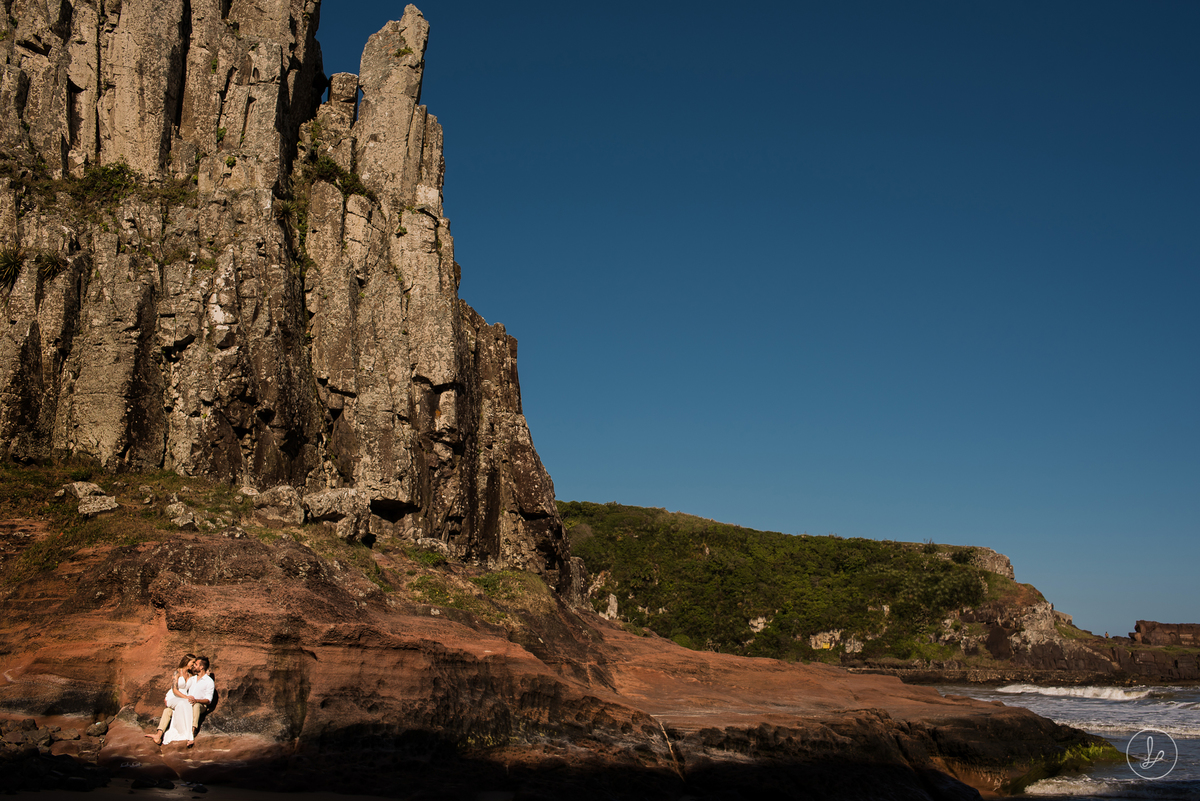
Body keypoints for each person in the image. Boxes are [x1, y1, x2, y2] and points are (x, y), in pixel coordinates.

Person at [146, 654, 196, 746]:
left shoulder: (190, 675)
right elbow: (175, 690)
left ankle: (187, 735)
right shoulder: (176, 673)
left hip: (184, 698)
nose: (193, 665)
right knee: (184, 702)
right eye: (192, 662)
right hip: (174, 697)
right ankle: (188, 735)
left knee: (185, 703)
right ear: (187, 661)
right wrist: (186, 697)